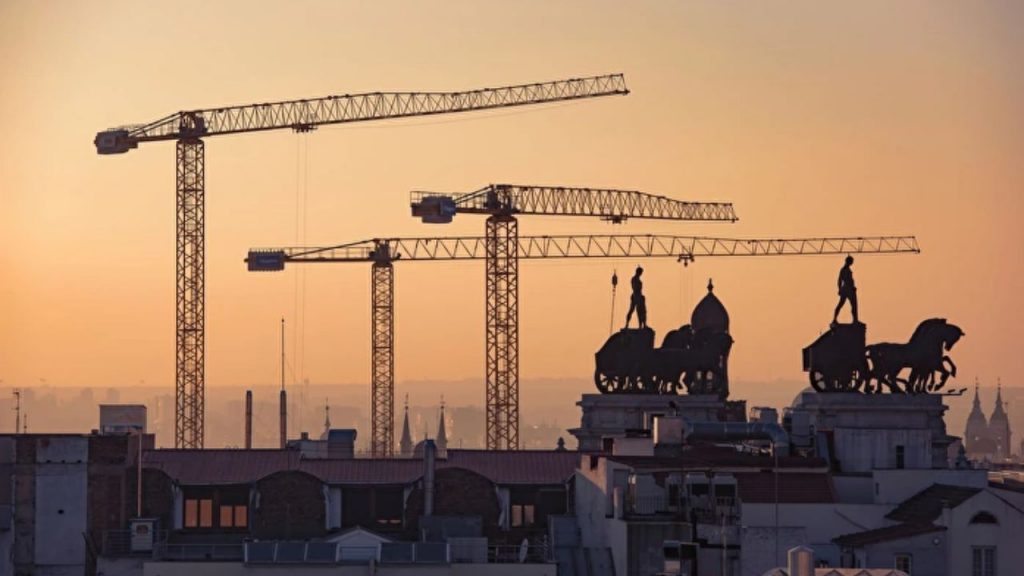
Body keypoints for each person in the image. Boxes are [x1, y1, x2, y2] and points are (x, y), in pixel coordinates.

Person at [833, 255, 858, 324]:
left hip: (848, 289)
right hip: (847, 289)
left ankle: (855, 320)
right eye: (851, 261)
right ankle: (834, 319)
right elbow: (840, 280)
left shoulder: (847, 269)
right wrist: (840, 289)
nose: (852, 263)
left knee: (852, 305)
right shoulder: (844, 269)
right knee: (847, 304)